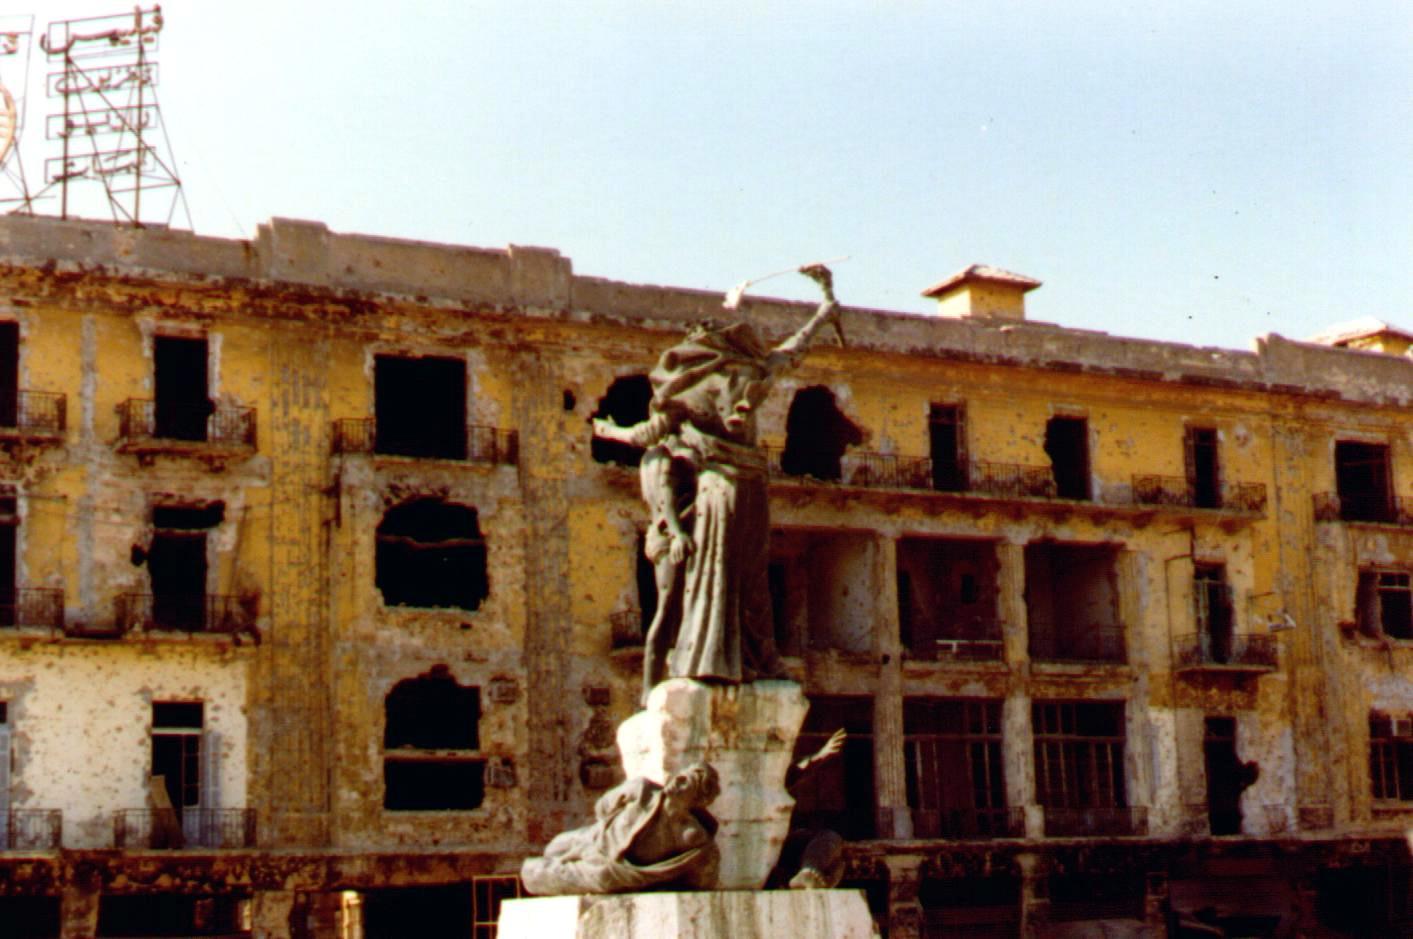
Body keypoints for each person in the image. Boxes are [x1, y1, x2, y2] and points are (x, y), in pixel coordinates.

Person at [593, 267, 841, 703]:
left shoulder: (694, 390)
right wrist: (824, 305)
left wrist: (606, 431)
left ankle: (731, 661)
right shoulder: (745, 374)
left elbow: (641, 435)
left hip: (730, 488)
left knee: (730, 576)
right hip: (735, 488)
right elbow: (795, 349)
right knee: (743, 577)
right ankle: (745, 660)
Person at [520, 763, 722, 895]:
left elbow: (700, 876)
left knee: (533, 873)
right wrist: (607, 828)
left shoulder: (690, 835)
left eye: (688, 782)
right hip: (594, 838)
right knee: (554, 847)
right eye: (681, 775)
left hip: (609, 870)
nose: (677, 781)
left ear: (697, 800)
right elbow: (603, 806)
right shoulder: (642, 789)